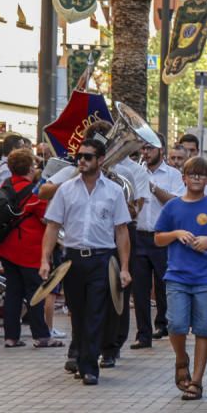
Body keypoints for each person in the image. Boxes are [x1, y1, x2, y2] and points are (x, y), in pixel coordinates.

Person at [40, 139, 132, 385]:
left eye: (88, 157)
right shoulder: (66, 189)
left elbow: (122, 231)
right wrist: (45, 260)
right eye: (80, 156)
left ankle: (90, 367)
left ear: (100, 160)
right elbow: (52, 227)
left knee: (95, 313)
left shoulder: (113, 191)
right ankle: (81, 357)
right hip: (72, 260)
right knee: (77, 313)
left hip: (102, 259)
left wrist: (124, 268)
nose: (82, 160)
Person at [154, 156, 207, 401]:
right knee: (176, 324)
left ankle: (197, 381)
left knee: (203, 329)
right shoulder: (172, 207)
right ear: (184, 178)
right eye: (192, 174)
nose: (197, 178)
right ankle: (181, 359)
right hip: (177, 276)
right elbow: (158, 238)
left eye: (202, 175)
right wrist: (176, 233)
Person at [0, 149, 57, 348]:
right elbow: (46, 218)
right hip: (29, 249)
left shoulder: (5, 185)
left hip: (5, 246)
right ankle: (41, 335)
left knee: (13, 292)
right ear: (30, 168)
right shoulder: (34, 191)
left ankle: (11, 337)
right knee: (35, 293)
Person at [131, 134, 185, 348]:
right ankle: (143, 335)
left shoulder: (173, 175)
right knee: (140, 289)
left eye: (149, 148)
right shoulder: (136, 172)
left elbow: (175, 203)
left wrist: (151, 186)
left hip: (163, 236)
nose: (145, 152)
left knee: (164, 284)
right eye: (143, 148)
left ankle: (163, 323)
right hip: (139, 234)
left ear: (160, 149)